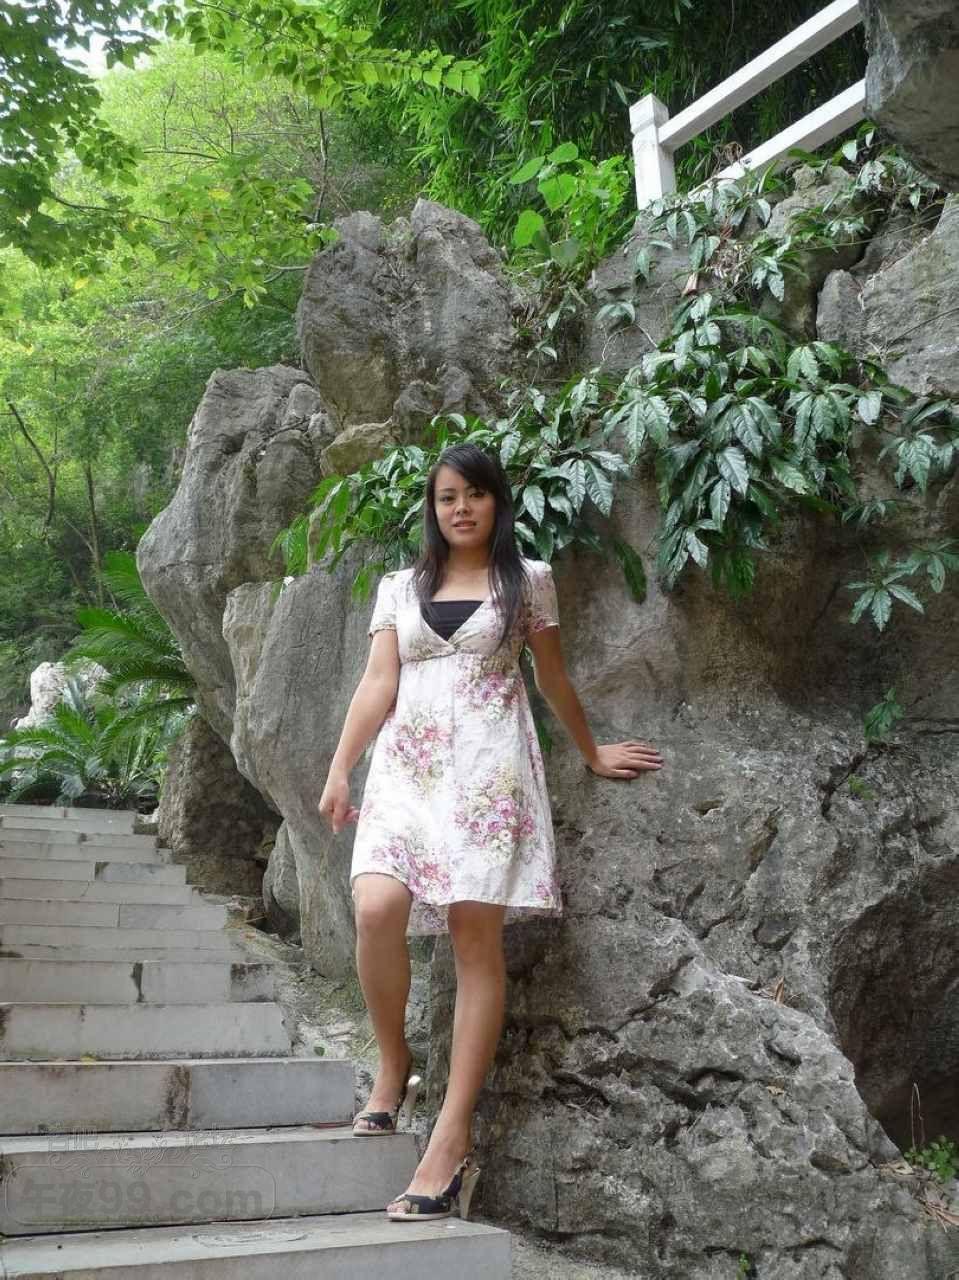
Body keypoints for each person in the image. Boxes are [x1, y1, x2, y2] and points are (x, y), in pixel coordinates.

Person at [317, 442, 664, 1222]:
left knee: (475, 938)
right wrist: (341, 769)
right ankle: (393, 1062)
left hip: (487, 775)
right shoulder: (399, 587)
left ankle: (449, 1135)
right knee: (375, 907)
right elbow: (377, 681)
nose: (460, 508)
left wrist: (590, 750)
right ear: (432, 509)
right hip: (406, 772)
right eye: (446, 497)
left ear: (497, 502)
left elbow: (551, 676)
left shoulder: (527, 580)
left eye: (473, 494)